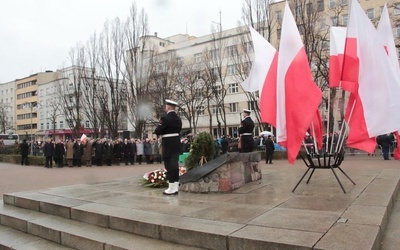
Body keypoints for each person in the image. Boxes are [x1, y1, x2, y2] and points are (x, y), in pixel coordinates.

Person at [155, 99, 182, 195]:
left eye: (166, 106)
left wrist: (158, 128)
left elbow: (158, 130)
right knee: (175, 166)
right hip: (176, 143)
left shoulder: (165, 118)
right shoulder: (178, 118)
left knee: (169, 166)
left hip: (168, 144)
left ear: (169, 107)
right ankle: (175, 186)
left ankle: (171, 188)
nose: (165, 107)